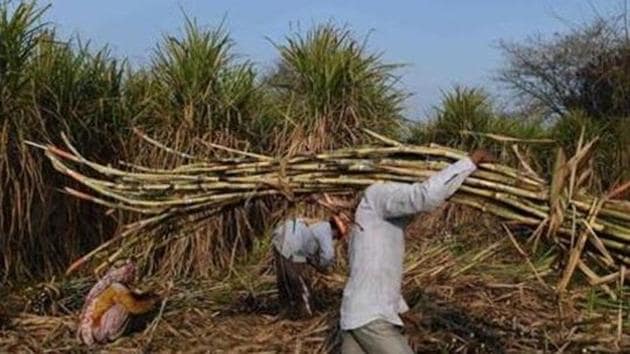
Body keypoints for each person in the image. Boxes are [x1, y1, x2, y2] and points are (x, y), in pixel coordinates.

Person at [340, 149, 495, 353]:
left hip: (357, 314)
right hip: (370, 316)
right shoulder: (378, 194)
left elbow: (375, 273)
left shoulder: (370, 223)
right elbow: (424, 196)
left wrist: (401, 311)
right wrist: (470, 162)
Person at [272, 214, 349, 319]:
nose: (335, 239)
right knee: (299, 281)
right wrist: (322, 267)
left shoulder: (317, 224)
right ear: (335, 230)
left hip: (281, 238)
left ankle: (287, 311)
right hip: (291, 243)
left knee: (285, 280)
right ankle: (306, 314)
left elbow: (308, 252)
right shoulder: (326, 230)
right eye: (336, 236)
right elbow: (327, 256)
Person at [77, 260, 160, 346]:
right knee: (123, 308)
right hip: (97, 330)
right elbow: (134, 307)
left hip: (91, 329)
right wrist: (152, 303)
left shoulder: (109, 286)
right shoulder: (118, 288)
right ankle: (112, 336)